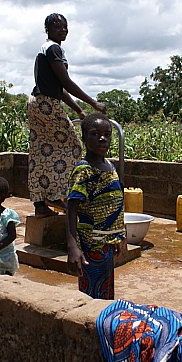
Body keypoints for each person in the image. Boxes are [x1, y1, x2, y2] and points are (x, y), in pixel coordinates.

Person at [28, 13, 106, 217]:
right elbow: (65, 82)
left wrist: (78, 109)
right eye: (58, 27)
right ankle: (56, 194)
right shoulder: (53, 49)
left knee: (41, 150)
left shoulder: (45, 49)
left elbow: (58, 87)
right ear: (48, 29)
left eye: (65, 27)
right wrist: (93, 103)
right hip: (47, 104)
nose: (63, 30)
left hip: (38, 102)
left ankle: (39, 204)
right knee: (73, 147)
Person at [66, 113, 126, 299]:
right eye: (95, 133)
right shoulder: (84, 171)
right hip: (90, 245)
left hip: (107, 244)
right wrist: (72, 247)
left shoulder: (109, 166)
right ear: (84, 138)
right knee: (92, 295)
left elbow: (115, 202)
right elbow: (71, 209)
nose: (103, 138)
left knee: (106, 292)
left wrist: (119, 235)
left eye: (107, 134)